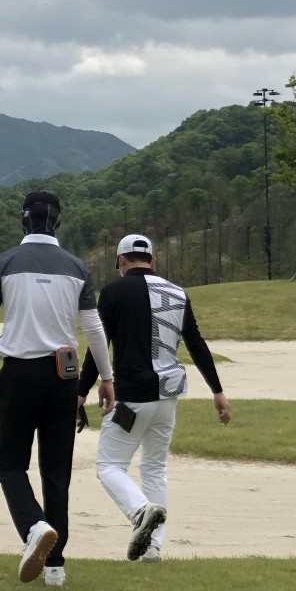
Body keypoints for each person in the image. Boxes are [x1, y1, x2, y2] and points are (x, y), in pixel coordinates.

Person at [0, 191, 115, 587]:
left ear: (23, 222)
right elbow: (94, 329)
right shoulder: (77, 267)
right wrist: (107, 379)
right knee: (56, 470)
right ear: (56, 223)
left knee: (10, 464)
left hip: (20, 375)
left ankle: (33, 527)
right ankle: (56, 568)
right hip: (64, 377)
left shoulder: (6, 262)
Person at [78, 232, 231, 563]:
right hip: (168, 397)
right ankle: (153, 547)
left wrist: (80, 391)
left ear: (120, 261)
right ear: (153, 260)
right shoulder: (178, 293)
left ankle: (140, 511)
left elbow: (98, 346)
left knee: (109, 465)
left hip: (131, 397)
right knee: (154, 467)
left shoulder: (114, 292)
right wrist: (217, 391)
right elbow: (197, 343)